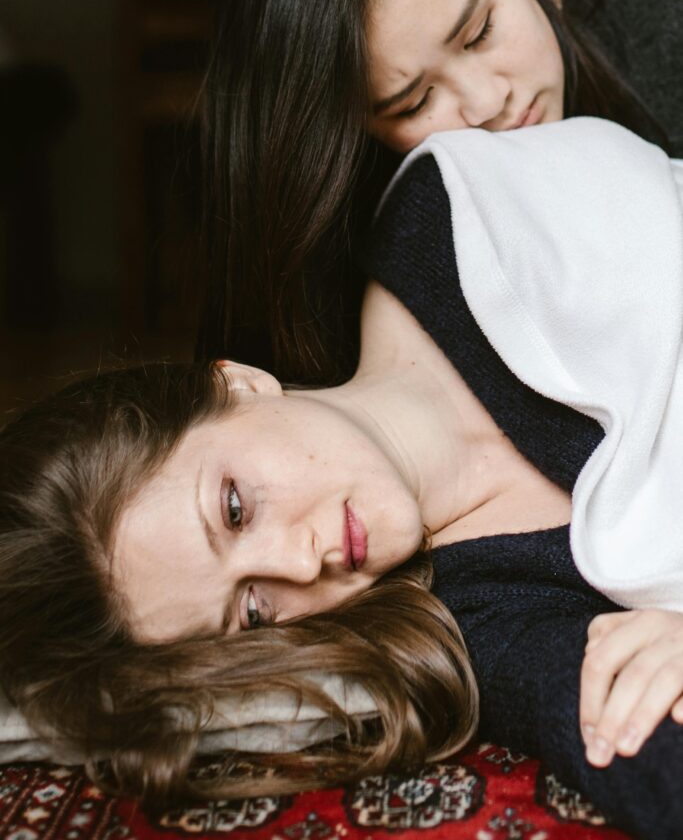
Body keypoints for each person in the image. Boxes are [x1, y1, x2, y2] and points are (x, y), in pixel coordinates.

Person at [3, 117, 683, 838]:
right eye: (252, 612)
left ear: (236, 384)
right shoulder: (474, 623)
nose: (300, 563)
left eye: (234, 508)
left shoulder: (453, 216)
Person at [196, 0, 682, 387]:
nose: (486, 102)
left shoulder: (665, 19)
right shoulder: (358, 230)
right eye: (415, 101)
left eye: (480, 32)